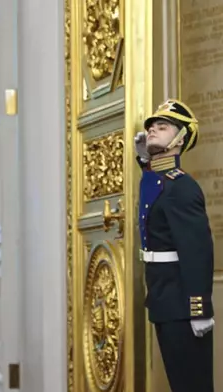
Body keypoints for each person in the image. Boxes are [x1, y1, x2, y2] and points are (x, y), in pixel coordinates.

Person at [134, 99, 214, 391]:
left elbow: (197, 252)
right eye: (151, 127)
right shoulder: (162, 181)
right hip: (165, 301)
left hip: (182, 304)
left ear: (181, 139)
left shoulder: (182, 187)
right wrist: (144, 161)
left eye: (162, 127)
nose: (152, 130)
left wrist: (199, 308)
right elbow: (152, 190)